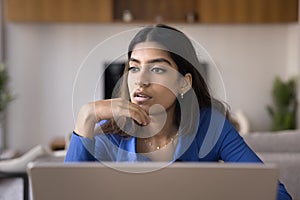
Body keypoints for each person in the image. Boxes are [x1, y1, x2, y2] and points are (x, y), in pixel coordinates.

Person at [65, 24, 292, 199]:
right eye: (134, 68)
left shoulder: (210, 127)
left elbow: (276, 194)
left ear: (184, 83)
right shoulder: (110, 137)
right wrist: (86, 116)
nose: (140, 81)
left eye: (157, 68)